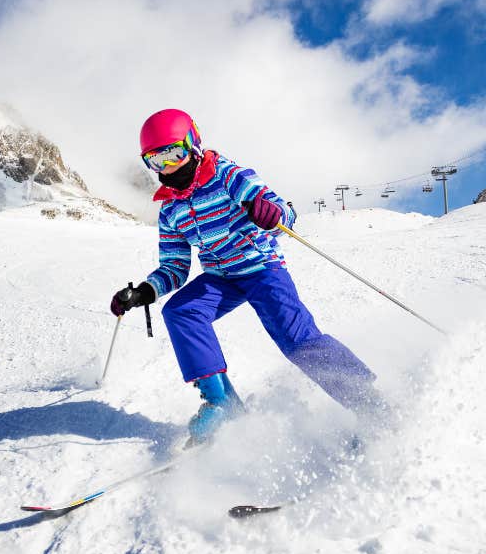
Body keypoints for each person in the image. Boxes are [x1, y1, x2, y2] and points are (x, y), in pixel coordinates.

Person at [110, 108, 381, 447]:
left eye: (174, 153)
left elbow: (283, 209)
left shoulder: (227, 175)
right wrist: (146, 291)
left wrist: (272, 213)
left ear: (192, 144)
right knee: (181, 311)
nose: (168, 167)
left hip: (260, 267)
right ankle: (223, 404)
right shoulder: (170, 209)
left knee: (296, 339)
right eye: (156, 160)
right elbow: (174, 267)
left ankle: (370, 404)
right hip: (221, 277)